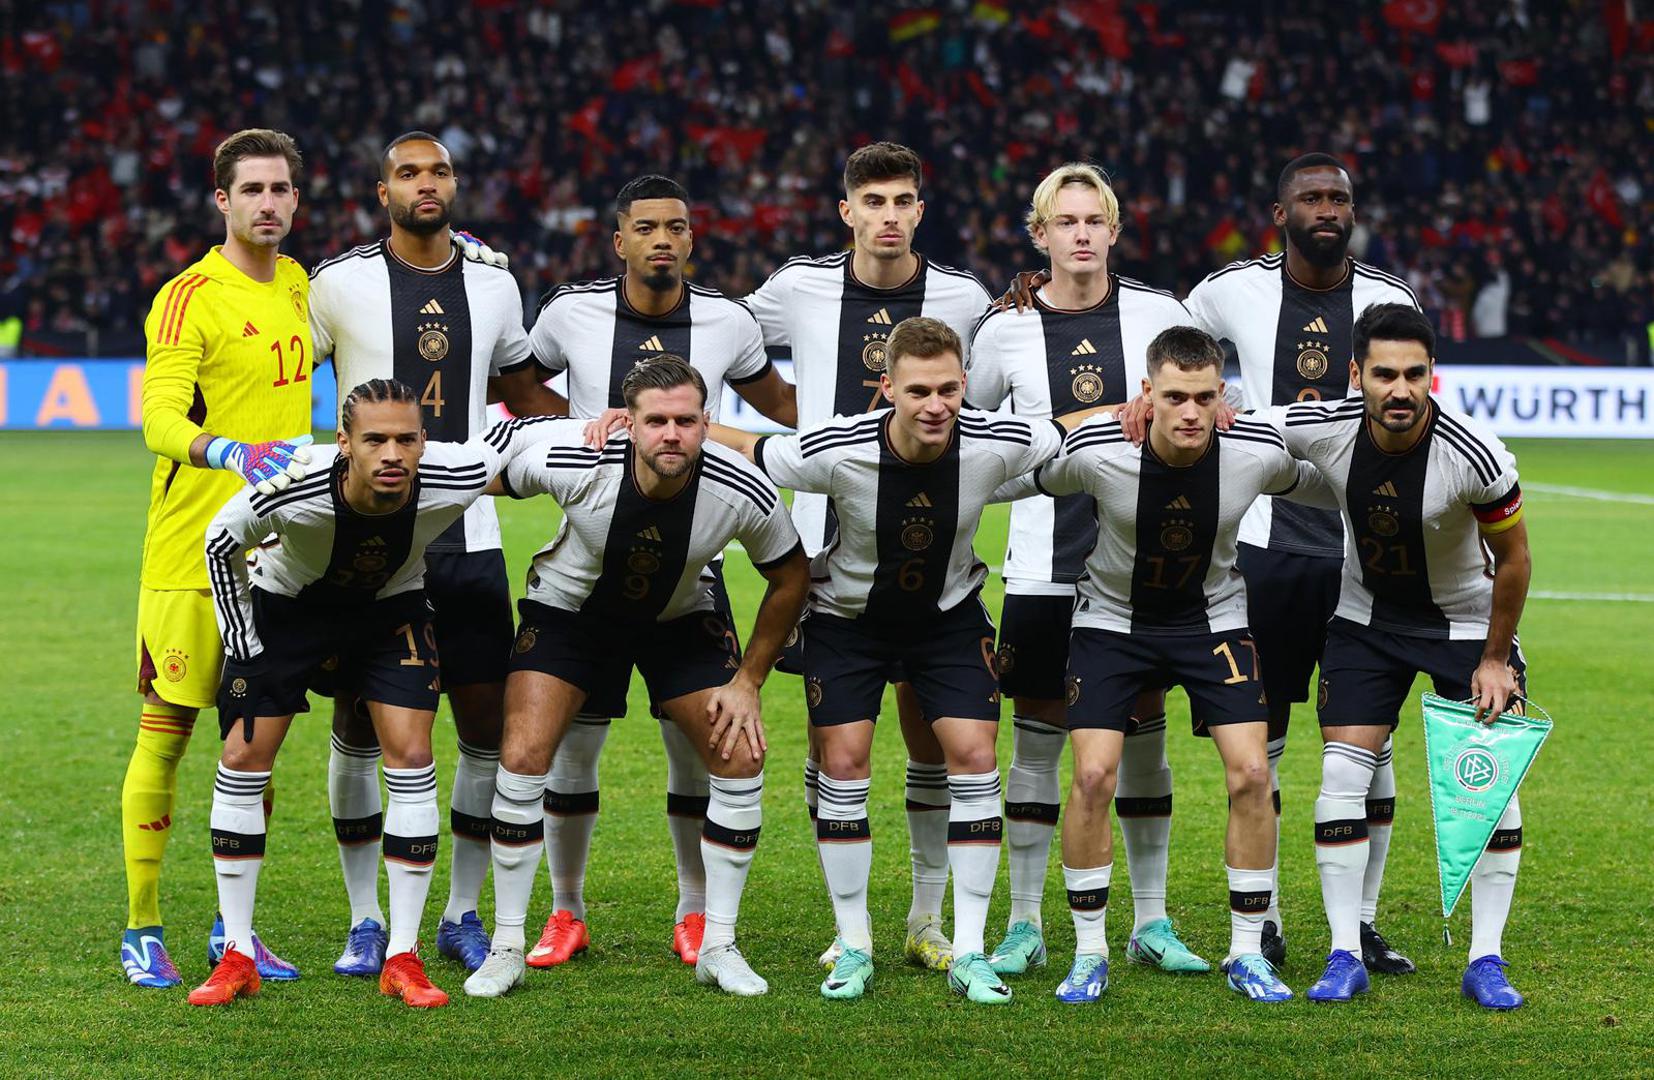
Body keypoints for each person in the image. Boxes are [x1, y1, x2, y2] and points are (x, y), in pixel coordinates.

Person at [712, 316, 1086, 1005]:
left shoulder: (997, 439)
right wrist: (654, 424)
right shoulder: (838, 448)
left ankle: (966, 949)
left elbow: (1067, 428)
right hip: (848, 623)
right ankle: (853, 942)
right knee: (844, 763)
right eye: (918, 391)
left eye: (948, 389)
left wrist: (1138, 405)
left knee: (974, 757)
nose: (935, 405)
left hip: (947, 621)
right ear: (888, 388)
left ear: (965, 384)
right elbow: (753, 447)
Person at [995, 326, 1330, 1004]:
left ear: (1222, 395)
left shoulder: (1254, 451)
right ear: (1147, 393)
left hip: (1214, 621)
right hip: (1111, 622)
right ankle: (1089, 953)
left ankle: (1247, 952)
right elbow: (1011, 476)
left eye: (1205, 397)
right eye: (1175, 396)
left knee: (1253, 773)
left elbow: (1330, 482)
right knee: (1093, 775)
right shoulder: (1099, 450)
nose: (1191, 413)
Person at [462, 356, 810, 1000]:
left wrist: (749, 681)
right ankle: (508, 945)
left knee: (739, 756)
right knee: (523, 756)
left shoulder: (741, 488)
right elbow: (487, 463)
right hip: (570, 615)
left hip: (679, 619)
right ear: (628, 423)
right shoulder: (577, 458)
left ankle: (719, 943)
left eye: (686, 421)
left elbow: (791, 575)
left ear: (707, 421)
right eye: (656, 421)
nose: (671, 434)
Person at [307, 130, 565, 978]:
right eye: (409, 172)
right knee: (358, 724)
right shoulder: (336, 283)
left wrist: (598, 428)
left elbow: (523, 391)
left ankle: (460, 911)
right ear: (382, 192)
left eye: (440, 170)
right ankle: (363, 920)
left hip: (470, 541)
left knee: (483, 728)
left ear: (456, 185)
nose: (427, 182)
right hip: (367, 548)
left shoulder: (494, 284)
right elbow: (276, 372)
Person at [189, 379, 535, 1007]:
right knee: (242, 759)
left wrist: (605, 422)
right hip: (289, 608)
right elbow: (219, 540)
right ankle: (237, 953)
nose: (392, 454)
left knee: (413, 755)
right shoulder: (294, 481)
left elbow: (511, 435)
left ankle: (402, 956)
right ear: (344, 442)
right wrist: (243, 642)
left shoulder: (453, 473)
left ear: (424, 441)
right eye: (375, 439)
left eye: (406, 439)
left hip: (389, 611)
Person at [523, 174, 796, 969]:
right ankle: (566, 911)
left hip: (689, 577)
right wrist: (578, 428)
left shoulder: (728, 320)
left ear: (691, 238)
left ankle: (694, 911)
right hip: (587, 571)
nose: (662, 240)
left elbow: (781, 404)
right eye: (646, 228)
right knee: (574, 750)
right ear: (620, 240)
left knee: (695, 744)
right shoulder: (570, 311)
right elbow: (516, 383)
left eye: (676, 226)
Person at [745, 142, 993, 971]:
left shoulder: (964, 297)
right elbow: (726, 342)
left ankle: (927, 919)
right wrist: (787, 407)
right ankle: (846, 923)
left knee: (932, 737)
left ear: (921, 209)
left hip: (929, 549)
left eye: (903, 200)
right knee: (833, 750)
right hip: (828, 557)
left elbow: (995, 378)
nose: (889, 215)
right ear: (846, 210)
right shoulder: (797, 286)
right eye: (873, 201)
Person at [1182, 155, 1424, 972]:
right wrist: (1215, 400)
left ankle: (1364, 922)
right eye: (1312, 198)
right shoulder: (1232, 290)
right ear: (1280, 213)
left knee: (1370, 744)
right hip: (1265, 549)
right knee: (1267, 741)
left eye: (1339, 199)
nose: (1328, 209)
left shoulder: (1390, 299)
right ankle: (1269, 916)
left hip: (1363, 552)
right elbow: (1170, 345)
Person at [966, 162, 1203, 977]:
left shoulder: (1160, 314)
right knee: (1036, 746)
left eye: (1093, 220)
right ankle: (1024, 924)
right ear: (1040, 235)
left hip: (1143, 571)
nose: (1080, 234)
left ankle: (1153, 921)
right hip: (1041, 566)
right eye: (1064, 222)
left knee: (1141, 743)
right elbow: (972, 435)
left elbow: (1204, 407)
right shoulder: (1003, 332)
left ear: (1114, 229)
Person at [1268, 304, 1532, 1010]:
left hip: (1465, 627)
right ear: (1357, 375)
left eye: (1415, 374)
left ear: (1431, 375)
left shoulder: (1474, 454)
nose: (1401, 390)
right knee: (1340, 774)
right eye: (1385, 374)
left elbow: (1514, 559)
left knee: (1490, 784)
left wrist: (1495, 658)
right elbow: (1241, 421)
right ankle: (1344, 953)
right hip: (1366, 623)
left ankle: (1486, 959)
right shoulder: (1324, 427)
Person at [121, 128, 315, 988]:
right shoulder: (188, 296)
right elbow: (158, 418)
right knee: (167, 736)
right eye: (252, 190)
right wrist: (229, 451)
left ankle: (230, 931)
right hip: (191, 554)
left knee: (255, 747)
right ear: (222, 200)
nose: (267, 203)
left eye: (280, 189)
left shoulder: (300, 284)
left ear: (295, 200)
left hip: (274, 555)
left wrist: (454, 258)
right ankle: (141, 927)